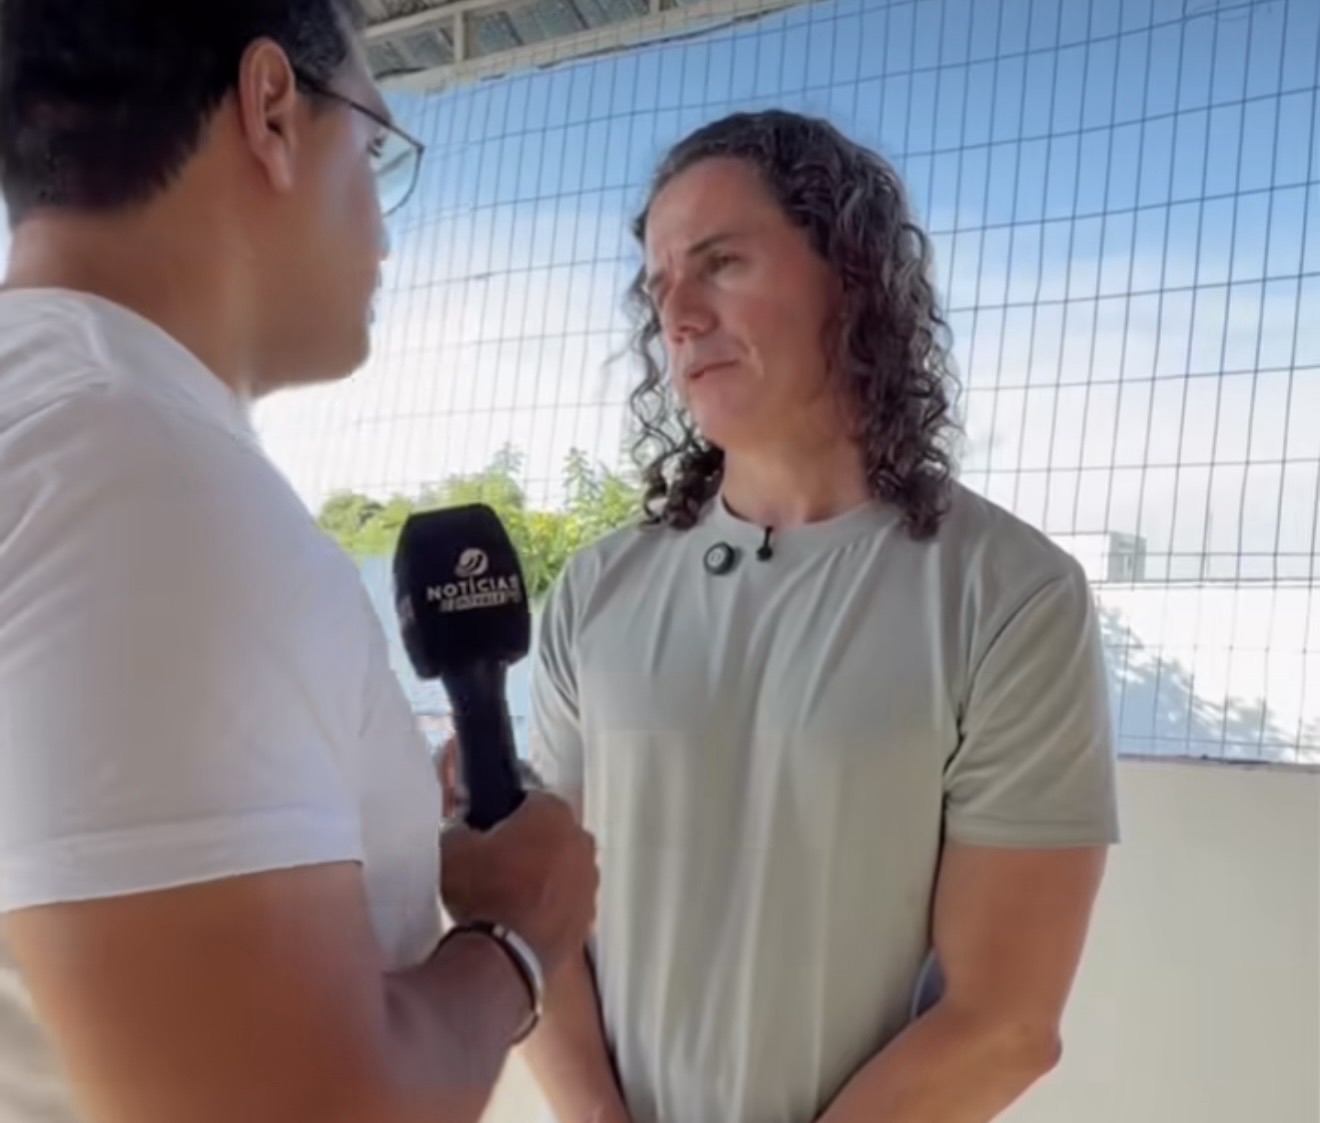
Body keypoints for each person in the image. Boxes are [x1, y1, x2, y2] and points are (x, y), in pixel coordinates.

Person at [0, 4, 598, 1123]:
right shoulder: (139, 479)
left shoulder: (58, 430)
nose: (385, 233)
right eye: (374, 147)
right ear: (272, 111)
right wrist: (518, 936)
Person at [517, 109, 1121, 1123]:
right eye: (660, 286)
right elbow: (543, 925)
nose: (679, 316)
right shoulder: (595, 591)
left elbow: (1003, 1021)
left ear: (853, 274)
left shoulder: (1011, 596)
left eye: (721, 264)